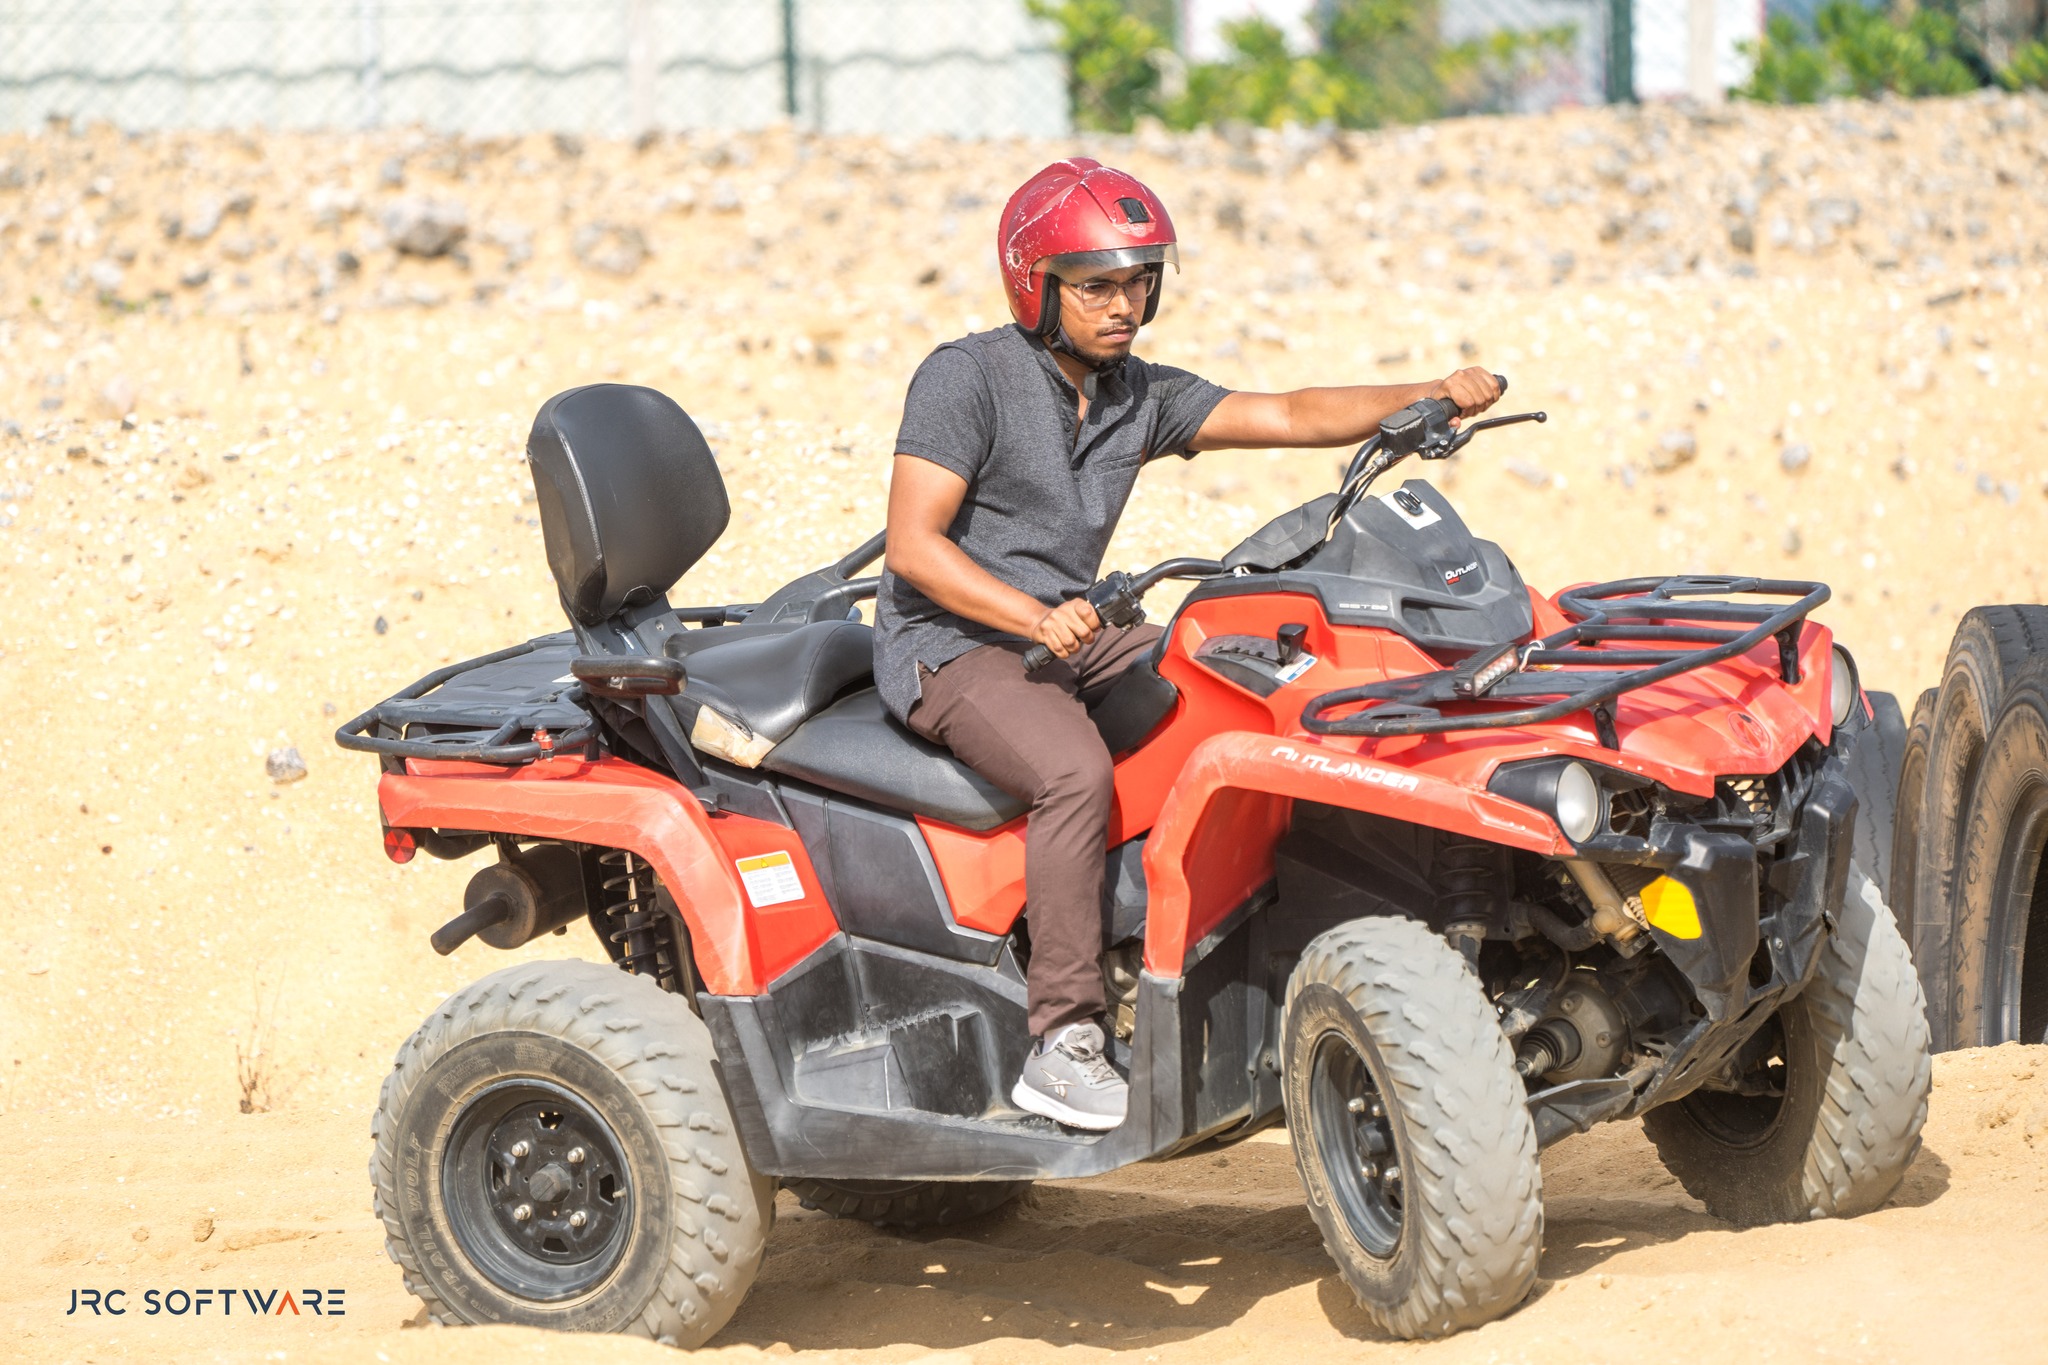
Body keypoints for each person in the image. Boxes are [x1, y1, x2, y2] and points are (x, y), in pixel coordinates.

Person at [877, 158, 1502, 1130]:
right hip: (951, 642)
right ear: (1034, 285)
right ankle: (1062, 1038)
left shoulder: (1133, 393)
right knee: (1073, 771)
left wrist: (1431, 394)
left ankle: (1191, 934)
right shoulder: (966, 379)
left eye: (1139, 283)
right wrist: (1032, 618)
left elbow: (1287, 412)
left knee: (1226, 683)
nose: (1123, 306)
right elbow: (914, 547)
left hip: (1072, 630)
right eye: (1097, 287)